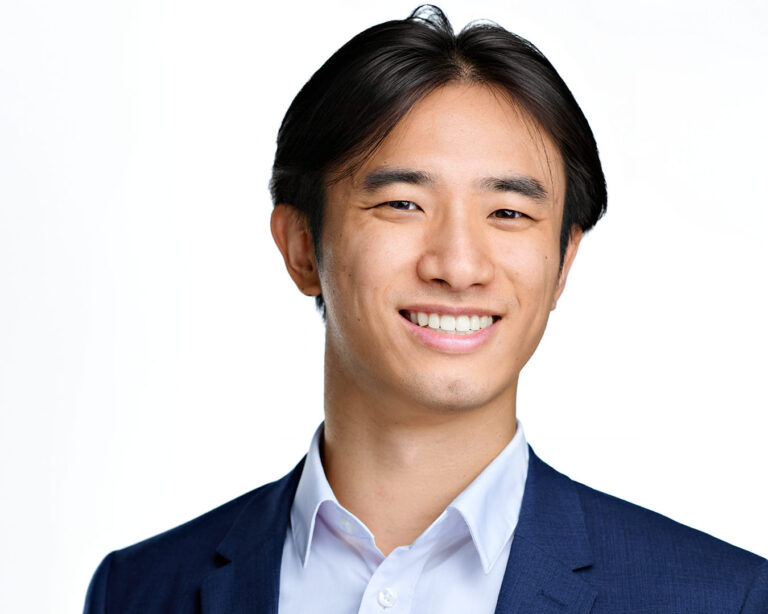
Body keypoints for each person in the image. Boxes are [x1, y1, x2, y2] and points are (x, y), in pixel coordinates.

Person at [83, 6, 767, 613]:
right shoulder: (138, 591)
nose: (459, 266)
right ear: (300, 246)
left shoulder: (720, 599)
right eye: (402, 204)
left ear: (563, 262)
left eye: (508, 212)